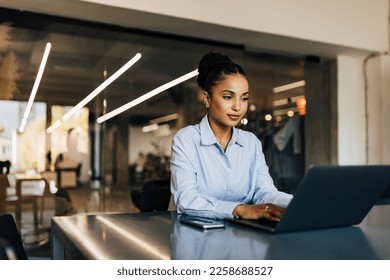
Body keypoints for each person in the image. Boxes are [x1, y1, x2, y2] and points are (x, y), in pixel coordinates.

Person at [170, 52, 293, 221]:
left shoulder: (251, 142)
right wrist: (239, 210)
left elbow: (264, 192)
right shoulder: (186, 139)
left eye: (244, 98)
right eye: (228, 97)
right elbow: (187, 199)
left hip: (242, 232)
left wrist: (297, 202)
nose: (237, 107)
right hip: (195, 233)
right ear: (207, 98)